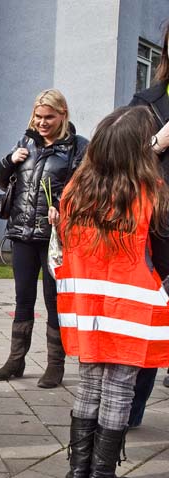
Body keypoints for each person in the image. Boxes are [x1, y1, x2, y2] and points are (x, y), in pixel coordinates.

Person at [57, 105, 169, 478]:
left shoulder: (75, 191)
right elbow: (163, 254)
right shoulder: (148, 193)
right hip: (131, 308)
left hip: (85, 305)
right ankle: (103, 477)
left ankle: (77, 472)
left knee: (89, 384)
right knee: (120, 388)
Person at [0, 89, 88, 388]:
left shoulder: (78, 148)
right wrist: (9, 160)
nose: (42, 123)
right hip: (22, 233)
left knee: (54, 300)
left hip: (56, 237)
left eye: (49, 117)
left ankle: (54, 366)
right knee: (23, 299)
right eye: (38, 117)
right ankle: (15, 360)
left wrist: (63, 209)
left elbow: (84, 190)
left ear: (62, 115)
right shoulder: (25, 143)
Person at [128, 21, 169, 425]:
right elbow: (118, 156)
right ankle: (131, 409)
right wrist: (159, 142)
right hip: (158, 231)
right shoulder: (147, 102)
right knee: (149, 321)